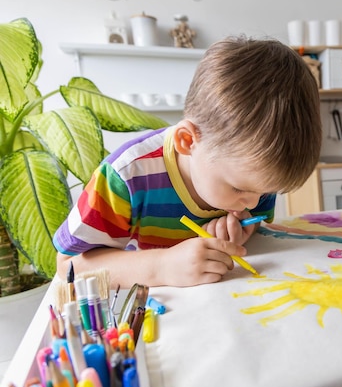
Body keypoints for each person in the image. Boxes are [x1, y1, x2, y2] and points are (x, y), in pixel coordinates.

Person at [54, 36, 322, 288]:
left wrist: (240, 231)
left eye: (264, 193)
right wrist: (161, 267)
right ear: (187, 141)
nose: (254, 202)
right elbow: (68, 267)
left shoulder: (252, 178)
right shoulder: (125, 177)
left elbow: (254, 218)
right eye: (239, 190)